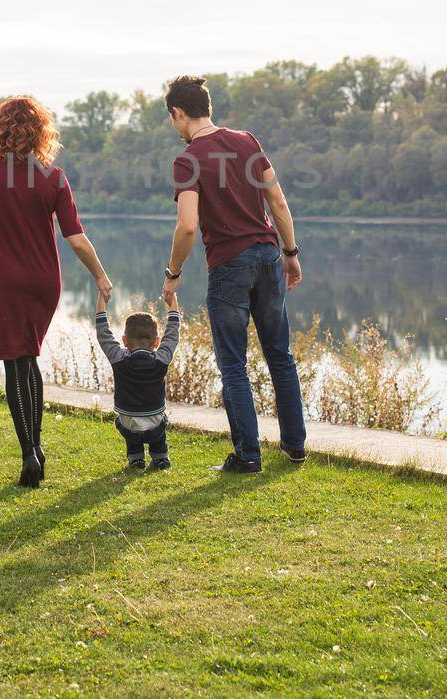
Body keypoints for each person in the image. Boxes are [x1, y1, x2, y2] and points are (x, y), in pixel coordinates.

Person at [0, 96, 113, 488]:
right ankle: (36, 448)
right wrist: (100, 276)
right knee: (28, 355)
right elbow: (77, 239)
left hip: (5, 279)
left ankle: (30, 452)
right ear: (41, 133)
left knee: (16, 364)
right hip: (44, 281)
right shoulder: (54, 177)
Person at [159, 74, 307, 473]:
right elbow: (276, 199)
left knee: (233, 365)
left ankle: (248, 455)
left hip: (230, 266)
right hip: (268, 255)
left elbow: (187, 226)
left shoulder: (188, 160)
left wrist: (173, 273)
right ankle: (295, 447)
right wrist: (290, 252)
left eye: (171, 119)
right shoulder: (248, 141)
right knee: (280, 356)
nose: (174, 127)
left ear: (178, 113)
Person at [94, 290, 182, 470]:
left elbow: (103, 334)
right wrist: (172, 301)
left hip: (128, 425)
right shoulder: (161, 359)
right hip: (155, 423)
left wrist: (101, 299)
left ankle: (136, 458)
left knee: (127, 421)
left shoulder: (119, 358)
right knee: (159, 421)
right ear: (156, 342)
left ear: (125, 340)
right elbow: (172, 334)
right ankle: (160, 457)